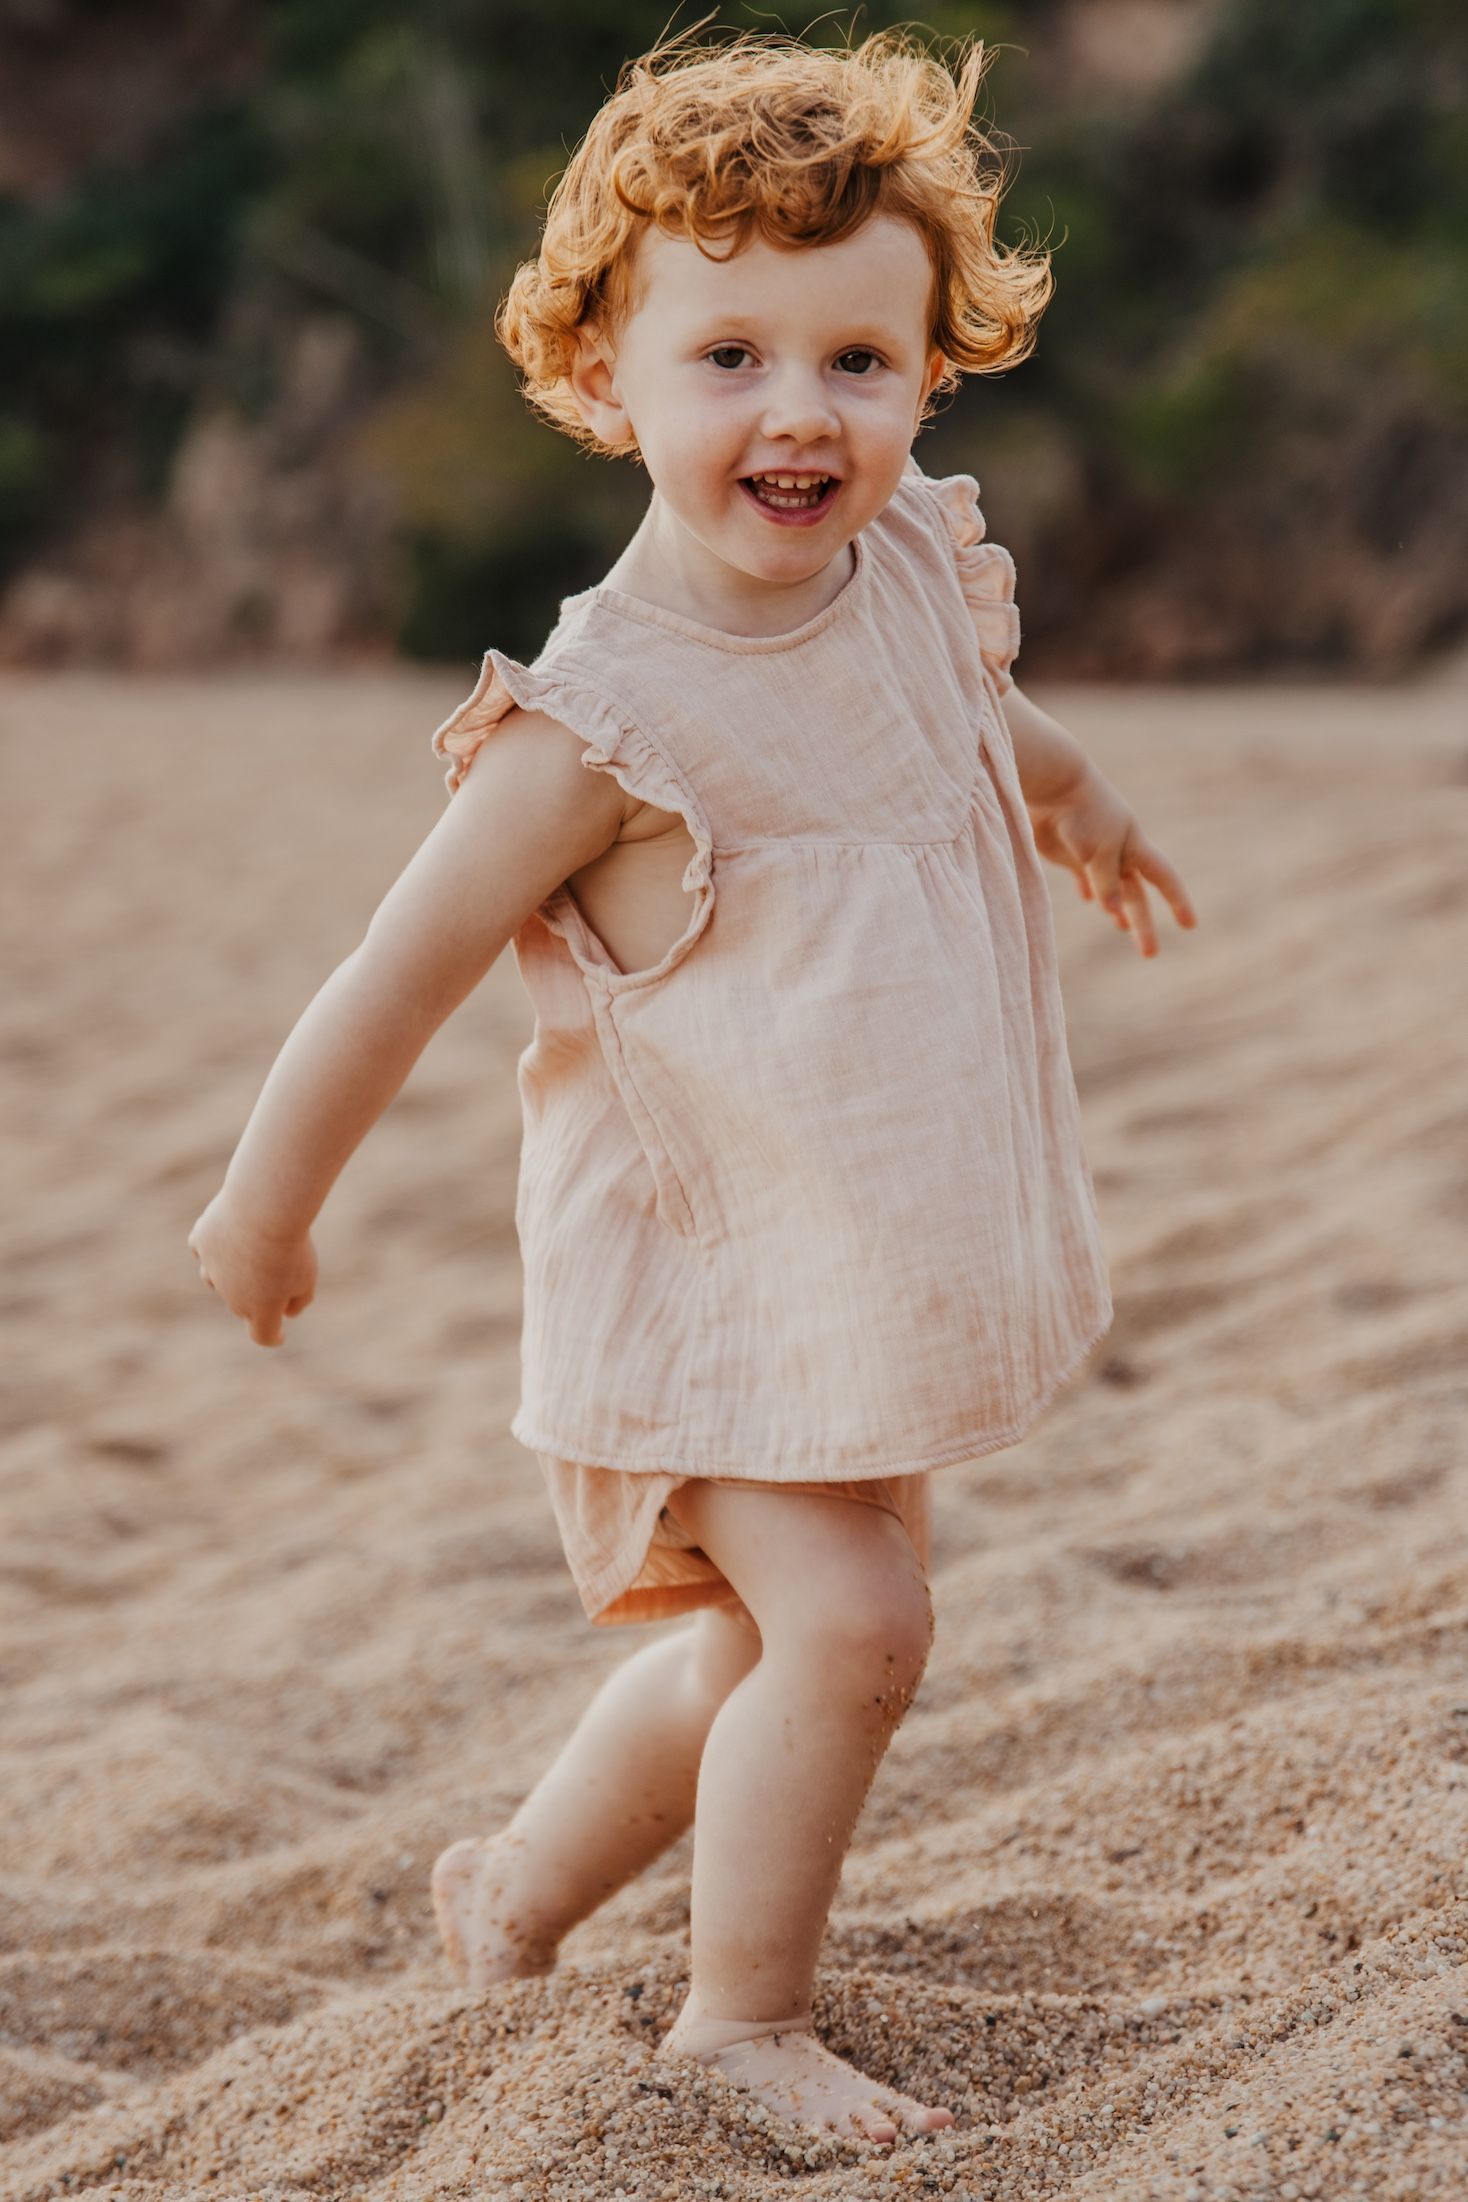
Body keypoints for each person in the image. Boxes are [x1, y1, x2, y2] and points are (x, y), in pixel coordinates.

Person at [187, 23, 1197, 2147]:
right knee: (855, 1617)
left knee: (762, 1646)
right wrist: (269, 1204)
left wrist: (1075, 789)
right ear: (599, 377)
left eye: (855, 355)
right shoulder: (597, 724)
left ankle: (519, 1882)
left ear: (933, 362)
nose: (798, 411)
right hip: (701, 1272)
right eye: (725, 354)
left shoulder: (910, 561)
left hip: (866, 1248)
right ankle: (735, 2018)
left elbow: (955, 709)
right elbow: (400, 968)